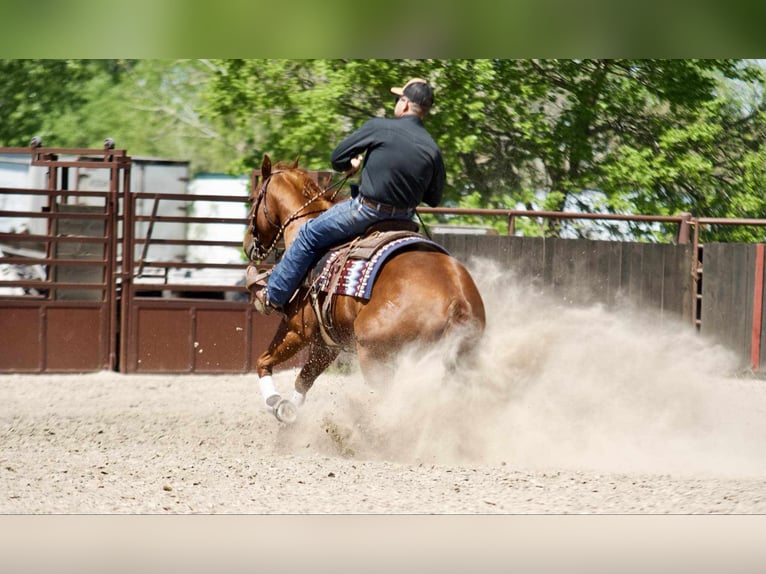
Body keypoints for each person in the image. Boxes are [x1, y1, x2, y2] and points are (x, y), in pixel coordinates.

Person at [253, 77, 446, 314]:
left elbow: (337, 158)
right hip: (405, 220)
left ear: (405, 104)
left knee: (308, 234)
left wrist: (351, 163)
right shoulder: (432, 147)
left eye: (398, 99)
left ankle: (273, 294)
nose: (396, 102)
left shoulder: (380, 127)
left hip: (366, 211)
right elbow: (434, 197)